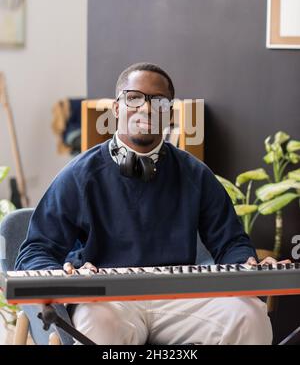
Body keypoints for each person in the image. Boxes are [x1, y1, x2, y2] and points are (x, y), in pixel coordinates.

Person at [15, 62, 287, 345]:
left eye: (158, 101)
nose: (146, 109)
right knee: (99, 325)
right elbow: (35, 250)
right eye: (134, 98)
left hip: (179, 297)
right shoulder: (80, 174)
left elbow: (230, 242)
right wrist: (64, 276)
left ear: (169, 114)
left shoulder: (195, 174)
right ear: (117, 108)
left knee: (250, 315)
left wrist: (247, 264)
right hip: (107, 301)